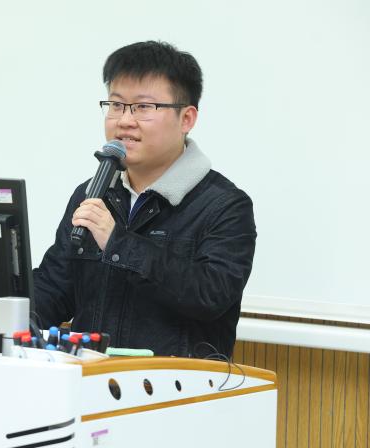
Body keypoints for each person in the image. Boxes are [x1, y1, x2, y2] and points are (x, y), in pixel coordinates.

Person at [33, 41, 256, 358]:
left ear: (187, 119)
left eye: (143, 107)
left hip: (176, 383)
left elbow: (210, 296)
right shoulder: (92, 194)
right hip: (90, 377)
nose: (124, 120)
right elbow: (54, 289)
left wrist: (118, 244)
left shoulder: (224, 206)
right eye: (116, 105)